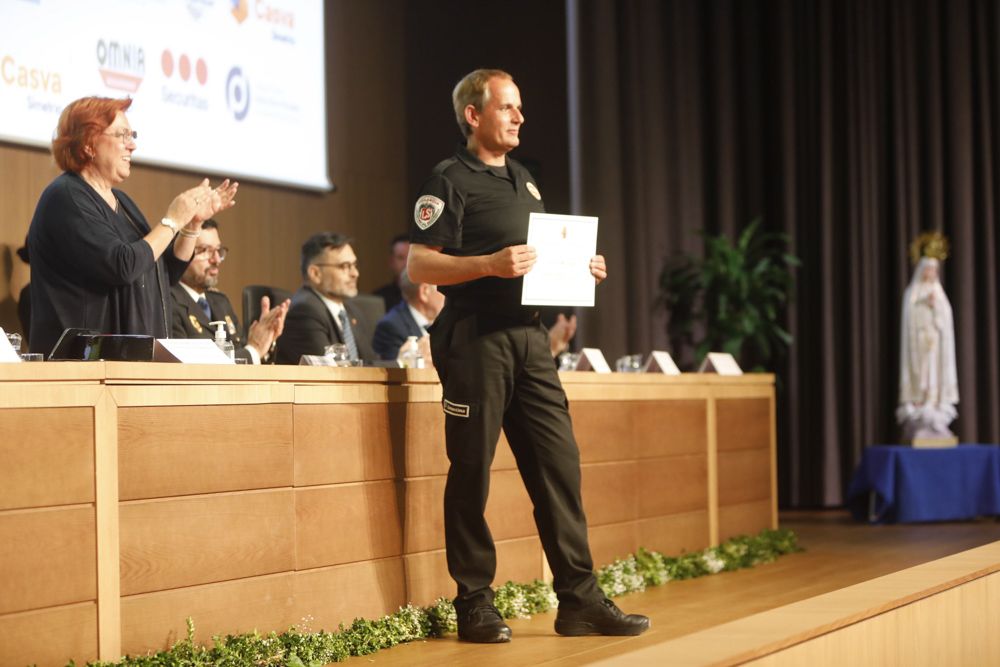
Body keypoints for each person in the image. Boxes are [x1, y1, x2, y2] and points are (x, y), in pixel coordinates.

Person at [407, 68, 649, 643]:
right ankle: (474, 602)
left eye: (520, 108)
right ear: (474, 115)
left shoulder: (525, 181)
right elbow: (420, 265)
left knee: (558, 466)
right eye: (508, 108)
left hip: (530, 341)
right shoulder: (448, 179)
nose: (519, 117)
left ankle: (579, 600)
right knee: (472, 472)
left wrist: (582, 271)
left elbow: (537, 262)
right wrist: (486, 265)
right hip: (474, 340)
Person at [26, 96, 237, 355]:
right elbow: (122, 265)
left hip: (127, 364)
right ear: (90, 144)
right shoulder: (66, 197)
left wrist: (192, 224)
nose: (133, 145)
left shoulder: (122, 202)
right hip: (83, 368)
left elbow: (162, 272)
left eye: (132, 134)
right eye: (122, 135)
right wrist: (171, 220)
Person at [170, 220, 289, 363]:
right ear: (180, 251)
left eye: (218, 251)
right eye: (204, 250)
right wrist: (253, 350)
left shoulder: (220, 301)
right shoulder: (168, 302)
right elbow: (194, 367)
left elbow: (244, 356)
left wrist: (265, 341)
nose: (216, 260)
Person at [276, 232, 376, 364]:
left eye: (354, 265)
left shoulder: (352, 312)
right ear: (315, 273)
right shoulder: (304, 311)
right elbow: (330, 370)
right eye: (344, 266)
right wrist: (396, 364)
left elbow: (370, 361)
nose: (355, 273)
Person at [896, 254, 959, 441]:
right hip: (918, 344)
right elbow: (909, 319)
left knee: (933, 374)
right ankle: (919, 403)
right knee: (921, 374)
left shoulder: (939, 294)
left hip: (935, 344)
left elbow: (946, 319)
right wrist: (923, 305)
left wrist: (935, 307)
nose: (931, 273)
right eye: (928, 269)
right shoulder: (912, 293)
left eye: (934, 269)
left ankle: (934, 403)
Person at [372, 268, 442, 362]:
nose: (448, 295)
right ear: (424, 292)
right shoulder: (390, 328)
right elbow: (393, 372)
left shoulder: (446, 322)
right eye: (443, 288)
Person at [373, 233, 410, 311]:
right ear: (391, 261)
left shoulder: (428, 296)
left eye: (410, 257)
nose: (407, 263)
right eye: (401, 258)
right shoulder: (379, 299)